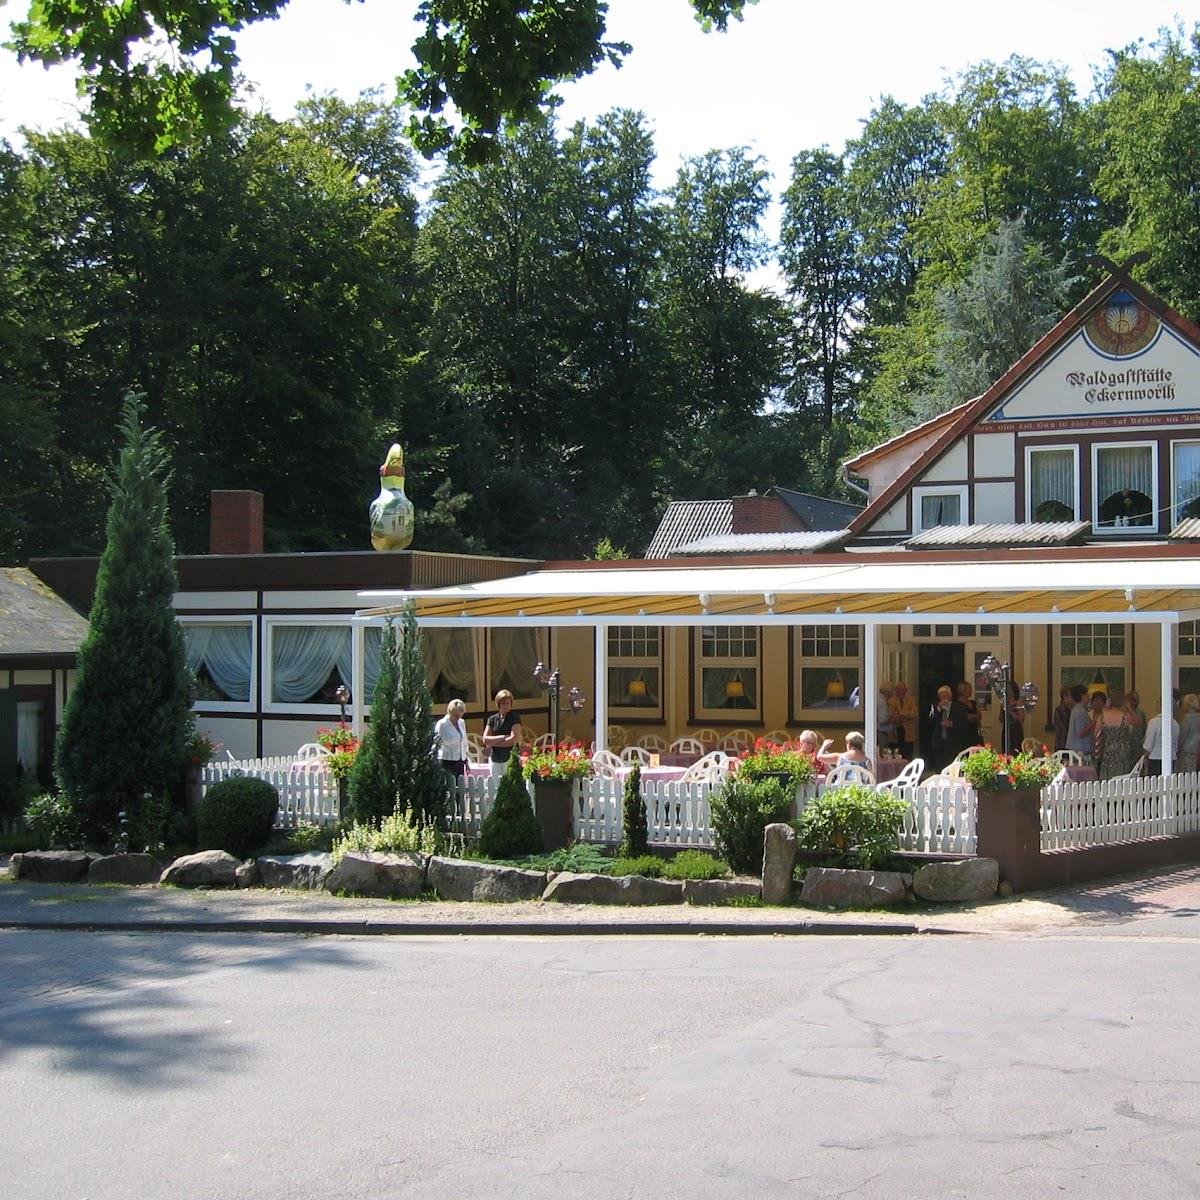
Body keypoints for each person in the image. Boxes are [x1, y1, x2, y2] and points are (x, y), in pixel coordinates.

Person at [1096, 692, 1141, 780]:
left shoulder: (1102, 717)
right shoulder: (1125, 717)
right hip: (1123, 752)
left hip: (1108, 751)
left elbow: (1096, 734)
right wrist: (1130, 709)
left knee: (1108, 778)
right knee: (1123, 778)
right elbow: (1138, 722)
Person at [928, 684, 970, 772]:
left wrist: (952, 724)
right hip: (938, 742)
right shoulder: (935, 706)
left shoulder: (959, 707)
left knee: (952, 768)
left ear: (950, 695)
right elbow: (930, 721)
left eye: (945, 695)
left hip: (953, 743)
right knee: (939, 768)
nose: (943, 698)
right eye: (941, 696)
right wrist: (939, 708)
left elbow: (964, 724)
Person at [482, 688, 523, 777]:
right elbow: (485, 740)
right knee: (495, 785)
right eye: (503, 703)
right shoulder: (492, 719)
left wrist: (493, 742)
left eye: (508, 703)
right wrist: (503, 737)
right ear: (498, 704)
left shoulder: (515, 718)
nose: (506, 705)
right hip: (495, 758)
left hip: (509, 757)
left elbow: (513, 740)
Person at [433, 698, 469, 779]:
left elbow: (464, 741)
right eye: (456, 715)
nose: (458, 717)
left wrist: (466, 760)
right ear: (450, 712)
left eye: (460, 714)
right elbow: (436, 742)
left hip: (460, 760)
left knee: (460, 785)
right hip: (447, 760)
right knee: (450, 785)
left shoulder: (461, 722)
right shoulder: (442, 724)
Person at [1143, 704, 1180, 776]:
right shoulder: (1175, 723)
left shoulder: (1154, 722)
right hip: (1171, 758)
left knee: (1154, 784)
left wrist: (1145, 757)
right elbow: (1176, 745)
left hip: (1155, 758)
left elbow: (1149, 744)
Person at [1064, 685, 1095, 762]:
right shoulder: (1080, 711)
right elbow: (1080, 733)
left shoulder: (1077, 709)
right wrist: (1094, 722)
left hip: (1077, 748)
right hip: (1080, 750)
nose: (1089, 697)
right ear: (1082, 696)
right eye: (1087, 694)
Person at [890, 682, 918, 759]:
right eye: (899, 690)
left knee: (908, 755)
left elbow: (914, 714)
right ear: (895, 691)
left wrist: (901, 713)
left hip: (908, 733)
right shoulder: (891, 701)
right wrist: (906, 715)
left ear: (906, 691)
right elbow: (892, 717)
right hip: (896, 732)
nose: (901, 692)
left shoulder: (911, 700)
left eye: (903, 690)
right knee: (897, 754)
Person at [1178, 694, 1200, 773]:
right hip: (1197, 749)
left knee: (1187, 773)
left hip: (1187, 750)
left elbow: (1183, 735)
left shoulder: (1187, 718)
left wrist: (1178, 748)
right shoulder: (1198, 717)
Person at [1052, 686, 1073, 751]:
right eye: (1071, 696)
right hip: (1062, 743)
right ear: (1065, 696)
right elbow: (1066, 726)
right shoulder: (1060, 710)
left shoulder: (1070, 709)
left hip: (1067, 743)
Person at [876, 683, 896, 753]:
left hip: (882, 733)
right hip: (883, 734)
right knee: (884, 754)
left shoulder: (879, 699)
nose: (893, 693)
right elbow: (882, 720)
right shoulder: (882, 702)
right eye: (892, 691)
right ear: (888, 692)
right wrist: (893, 719)